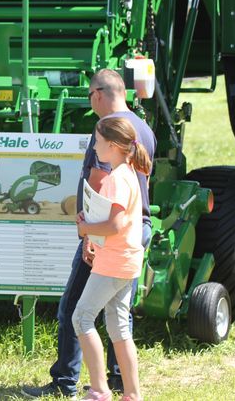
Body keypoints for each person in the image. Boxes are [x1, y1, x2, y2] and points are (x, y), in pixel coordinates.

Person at [23, 69, 156, 398]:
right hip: (137, 233)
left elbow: (99, 190)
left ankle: (67, 382)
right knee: (118, 317)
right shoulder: (144, 131)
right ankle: (121, 384)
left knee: (76, 310)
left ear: (97, 94)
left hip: (108, 238)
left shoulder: (106, 133)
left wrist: (88, 237)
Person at [73, 116, 149, 401]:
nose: (94, 148)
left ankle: (99, 390)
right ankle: (132, 394)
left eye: (98, 142)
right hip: (127, 262)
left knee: (81, 318)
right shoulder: (129, 173)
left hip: (113, 263)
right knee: (118, 327)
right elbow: (118, 222)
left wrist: (85, 229)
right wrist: (92, 226)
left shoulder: (116, 178)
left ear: (114, 145)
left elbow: (115, 225)